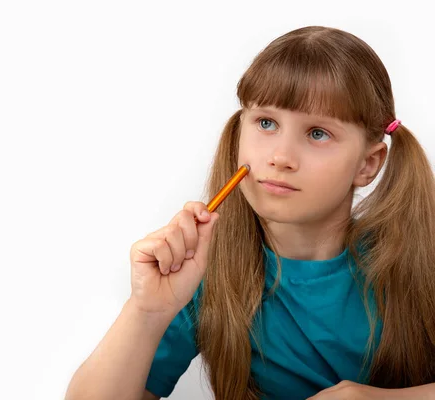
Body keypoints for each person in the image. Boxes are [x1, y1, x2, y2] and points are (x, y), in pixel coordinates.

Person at [65, 25, 435, 400]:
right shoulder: (202, 272)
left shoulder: (419, 261)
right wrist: (146, 311)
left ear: (367, 165)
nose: (280, 157)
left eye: (318, 133)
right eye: (267, 123)